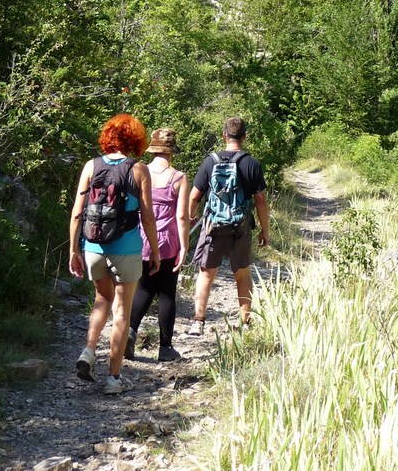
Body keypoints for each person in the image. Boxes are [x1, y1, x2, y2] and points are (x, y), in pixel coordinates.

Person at [69, 113, 160, 394]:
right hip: (127, 249)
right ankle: (113, 379)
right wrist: (154, 251)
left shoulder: (91, 166)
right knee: (121, 312)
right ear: (135, 139)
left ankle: (88, 349)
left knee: (101, 299)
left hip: (93, 247)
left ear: (107, 137)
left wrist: (74, 250)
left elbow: (76, 213)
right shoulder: (138, 169)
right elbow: (146, 215)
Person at [187, 116, 269, 334]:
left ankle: (198, 321)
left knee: (206, 274)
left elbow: (194, 196)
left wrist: (190, 218)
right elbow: (260, 200)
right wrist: (264, 231)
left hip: (212, 226)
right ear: (244, 137)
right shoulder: (251, 164)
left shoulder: (210, 161)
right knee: (242, 274)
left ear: (225, 134)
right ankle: (245, 322)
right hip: (240, 228)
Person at [125, 126, 190, 363]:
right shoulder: (179, 178)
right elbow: (182, 217)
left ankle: (129, 333)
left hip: (139, 238)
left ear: (152, 149)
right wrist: (184, 246)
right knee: (166, 293)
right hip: (168, 242)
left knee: (143, 288)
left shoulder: (137, 172)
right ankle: (165, 348)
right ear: (172, 151)